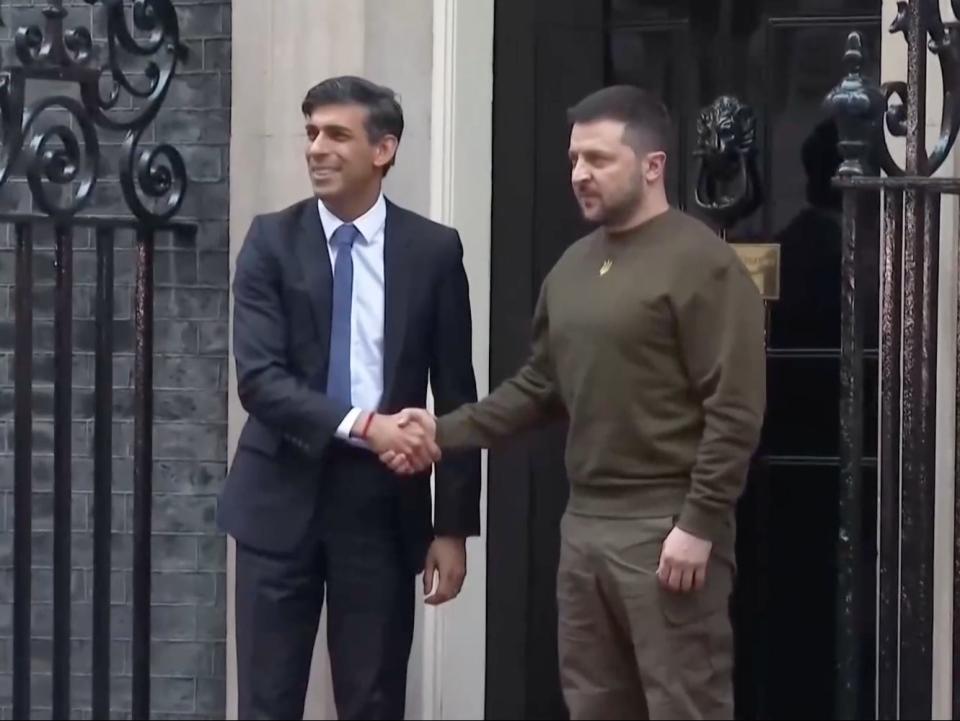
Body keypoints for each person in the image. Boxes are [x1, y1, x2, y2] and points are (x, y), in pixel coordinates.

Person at [386, 86, 766, 720]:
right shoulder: (571, 269)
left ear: (652, 165)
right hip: (585, 524)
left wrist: (699, 523)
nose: (579, 175)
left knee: (684, 704)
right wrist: (439, 431)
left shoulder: (703, 263)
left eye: (597, 159)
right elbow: (539, 387)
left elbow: (735, 407)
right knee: (594, 703)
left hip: (665, 525)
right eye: (572, 160)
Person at [219, 76, 481, 720]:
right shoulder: (270, 242)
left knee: (372, 698)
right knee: (268, 699)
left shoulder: (433, 251)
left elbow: (456, 393)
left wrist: (452, 527)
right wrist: (367, 425)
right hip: (279, 500)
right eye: (310, 133)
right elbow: (260, 379)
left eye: (336, 134)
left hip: (381, 510)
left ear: (383, 150)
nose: (316, 148)